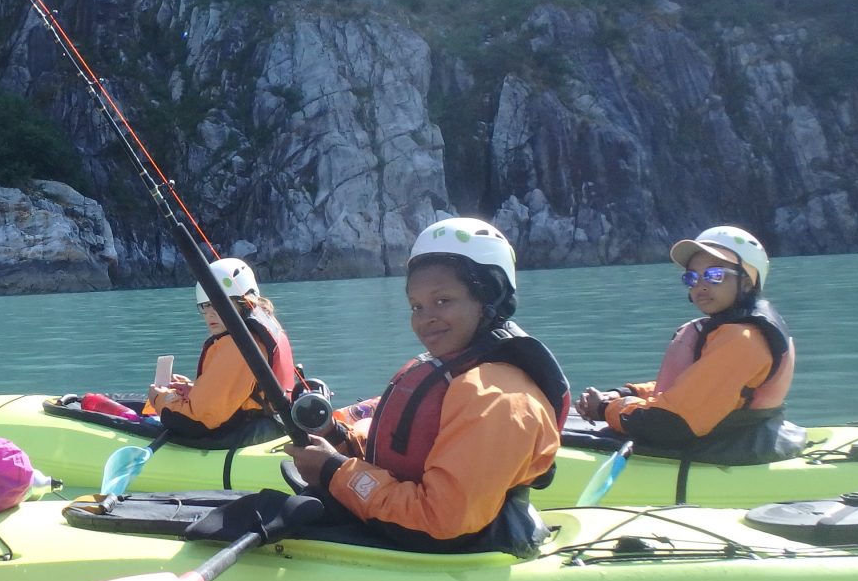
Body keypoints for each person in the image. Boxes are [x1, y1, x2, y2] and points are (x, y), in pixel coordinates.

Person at [284, 216, 567, 554]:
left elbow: (440, 521)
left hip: (458, 547)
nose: (424, 318)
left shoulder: (497, 397)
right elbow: (405, 455)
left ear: (488, 299)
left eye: (442, 301)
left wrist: (334, 470)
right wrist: (337, 441)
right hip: (415, 534)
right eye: (416, 306)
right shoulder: (457, 374)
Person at [575, 225, 800, 463]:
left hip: (725, 450)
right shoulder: (730, 332)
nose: (700, 285)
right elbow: (694, 386)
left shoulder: (743, 340)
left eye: (715, 275)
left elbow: (671, 422)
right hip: (728, 440)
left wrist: (606, 409)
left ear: (746, 282)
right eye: (692, 277)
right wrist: (625, 394)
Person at [141, 256, 299, 450]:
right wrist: (195, 389)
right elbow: (244, 394)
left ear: (243, 302)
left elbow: (195, 421)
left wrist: (160, 399)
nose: (209, 314)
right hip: (271, 428)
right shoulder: (259, 332)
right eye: (205, 306)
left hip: (248, 436)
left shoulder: (240, 346)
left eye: (217, 304)